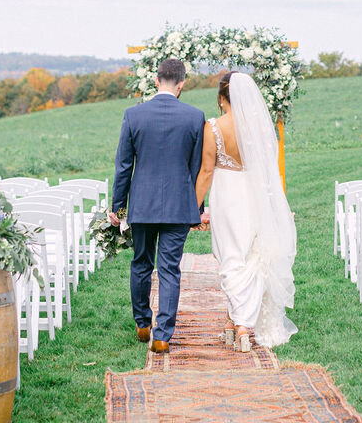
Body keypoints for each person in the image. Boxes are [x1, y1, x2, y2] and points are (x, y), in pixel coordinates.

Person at [194, 71, 297, 352]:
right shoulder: (261, 129)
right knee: (250, 256)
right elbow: (269, 171)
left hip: (227, 197)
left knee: (230, 258)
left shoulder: (213, 127)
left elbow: (205, 172)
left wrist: (193, 208)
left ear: (221, 97)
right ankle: (231, 322)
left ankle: (240, 326)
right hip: (255, 196)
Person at [109, 58, 206, 354]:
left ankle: (142, 323)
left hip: (143, 204)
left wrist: (118, 206)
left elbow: (124, 166)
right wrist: (198, 207)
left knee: (141, 263)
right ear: (181, 84)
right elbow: (197, 168)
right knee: (169, 269)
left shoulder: (133, 115)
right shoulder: (195, 116)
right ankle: (162, 335)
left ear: (155, 81)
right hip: (179, 205)